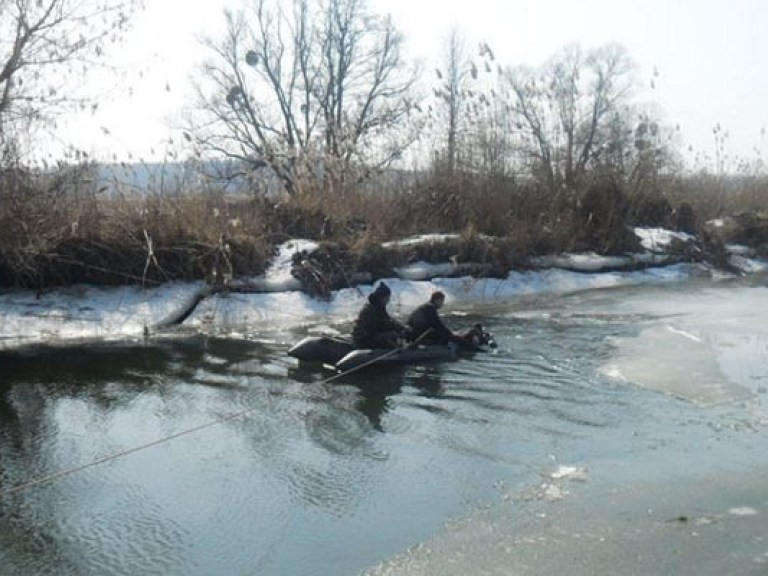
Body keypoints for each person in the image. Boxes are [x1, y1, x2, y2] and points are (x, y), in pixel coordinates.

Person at [407, 290, 485, 347]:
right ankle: (470, 338)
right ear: (437, 300)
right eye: (441, 301)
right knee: (450, 337)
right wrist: (449, 334)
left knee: (448, 335)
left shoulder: (426, 306)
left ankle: (470, 335)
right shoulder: (429, 308)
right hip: (419, 333)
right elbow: (437, 325)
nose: (442, 304)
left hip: (418, 331)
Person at [352, 282, 408, 349]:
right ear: (381, 298)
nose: (388, 300)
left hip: (370, 336)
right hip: (365, 340)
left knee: (393, 333)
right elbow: (384, 324)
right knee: (392, 335)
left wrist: (402, 327)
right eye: (387, 297)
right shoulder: (371, 310)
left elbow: (389, 321)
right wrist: (399, 330)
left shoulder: (378, 307)